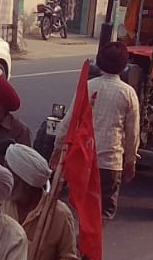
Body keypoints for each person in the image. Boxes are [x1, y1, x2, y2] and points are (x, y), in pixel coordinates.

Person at [51, 41, 139, 220]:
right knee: (104, 213)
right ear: (124, 66)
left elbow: (68, 122)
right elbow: (132, 135)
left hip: (83, 160)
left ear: (99, 62)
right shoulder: (128, 93)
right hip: (110, 164)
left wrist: (57, 150)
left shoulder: (88, 86)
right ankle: (88, 236)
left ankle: (81, 234)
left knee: (81, 208)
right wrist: (130, 162)